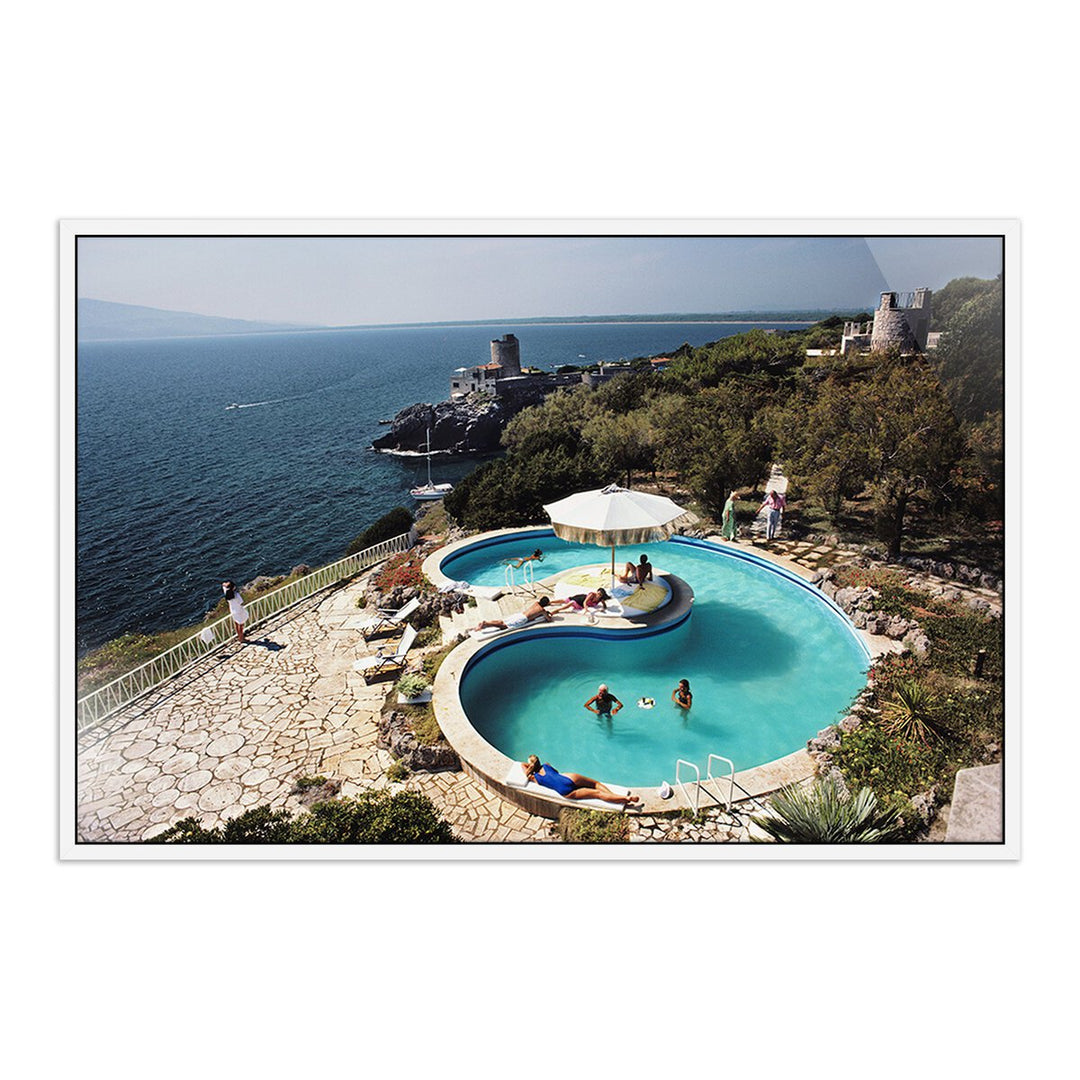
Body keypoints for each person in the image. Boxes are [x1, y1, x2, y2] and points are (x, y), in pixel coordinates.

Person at [521, 755, 639, 806]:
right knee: (596, 784)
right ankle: (615, 796)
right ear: (539, 761)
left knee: (598, 795)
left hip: (564, 790)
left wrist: (530, 769)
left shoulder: (534, 777)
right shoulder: (546, 765)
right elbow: (556, 772)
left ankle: (625, 799)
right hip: (568, 777)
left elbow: (522, 765)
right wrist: (535, 764)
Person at [473, 595, 553, 632]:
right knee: (505, 626)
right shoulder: (542, 610)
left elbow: (534, 613)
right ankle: (487, 624)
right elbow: (549, 620)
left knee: (502, 621)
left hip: (520, 614)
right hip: (522, 619)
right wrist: (548, 615)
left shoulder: (536, 603)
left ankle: (487, 623)